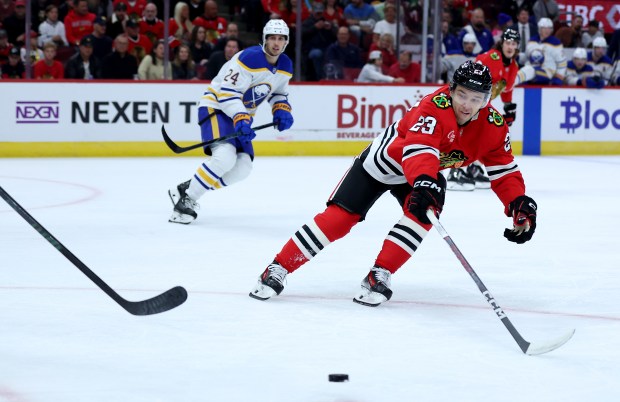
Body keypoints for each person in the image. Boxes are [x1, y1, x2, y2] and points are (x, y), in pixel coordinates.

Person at [248, 60, 538, 305]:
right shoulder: (432, 107)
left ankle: (380, 273)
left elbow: (504, 170)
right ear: (451, 91)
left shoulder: (494, 127)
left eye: (477, 99)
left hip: (423, 171)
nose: (467, 105)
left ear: (487, 100)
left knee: (425, 214)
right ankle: (277, 267)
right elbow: (419, 149)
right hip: (385, 163)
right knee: (340, 219)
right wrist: (424, 181)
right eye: (462, 95)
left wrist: (517, 203)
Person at [167, 19, 294, 224]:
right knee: (224, 157)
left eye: (281, 39)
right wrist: (241, 118)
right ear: (264, 39)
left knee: (243, 168)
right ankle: (186, 200)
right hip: (215, 107)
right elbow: (226, 93)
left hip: (239, 116)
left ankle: (190, 186)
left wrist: (282, 110)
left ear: (286, 41)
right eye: (272, 38)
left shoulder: (286, 65)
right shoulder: (249, 58)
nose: (276, 43)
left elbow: (279, 93)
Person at [446, 28, 521, 191]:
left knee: (485, 133)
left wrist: (508, 107)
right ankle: (456, 170)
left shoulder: (513, 65)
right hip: (468, 99)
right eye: (508, 42)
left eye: (513, 44)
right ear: (502, 43)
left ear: (517, 46)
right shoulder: (493, 57)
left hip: (480, 102)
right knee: (469, 132)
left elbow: (506, 89)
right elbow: (472, 77)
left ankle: (472, 166)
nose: (510, 46)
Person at [516, 17, 566, 86]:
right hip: (529, 71)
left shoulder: (555, 43)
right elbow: (526, 57)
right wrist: (517, 56)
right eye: (544, 28)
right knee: (525, 71)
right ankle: (508, 82)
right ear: (539, 29)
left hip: (547, 72)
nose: (547, 31)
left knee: (530, 70)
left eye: (549, 28)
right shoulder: (532, 41)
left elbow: (562, 63)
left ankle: (510, 82)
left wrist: (559, 78)